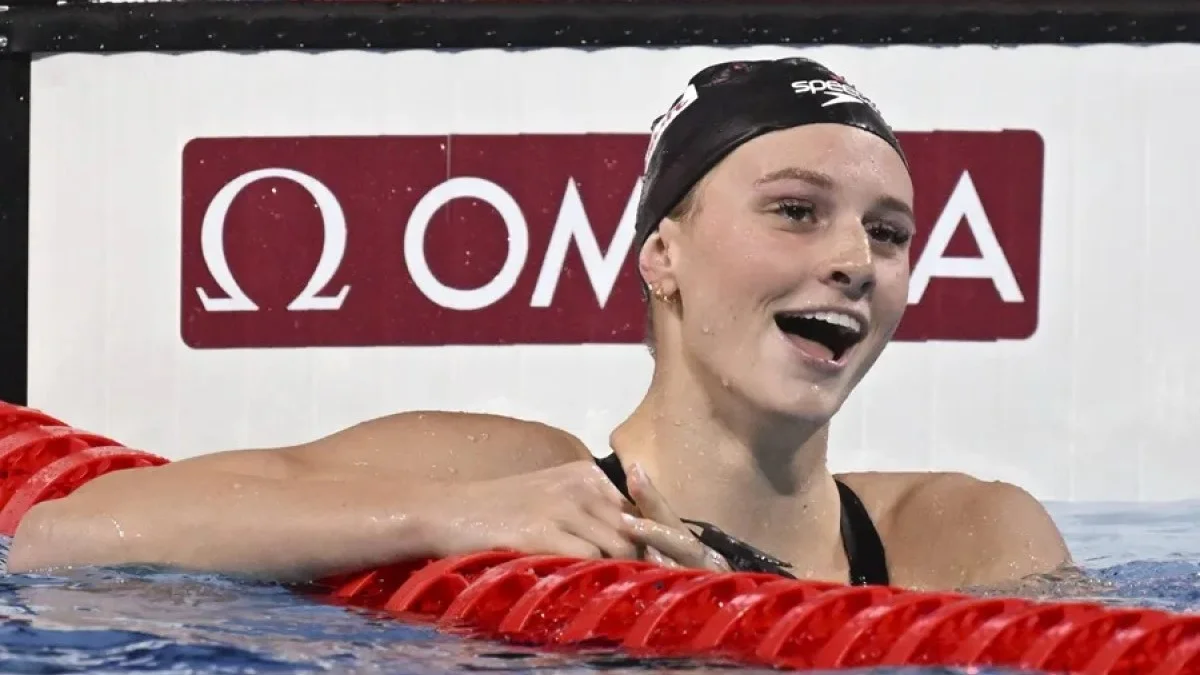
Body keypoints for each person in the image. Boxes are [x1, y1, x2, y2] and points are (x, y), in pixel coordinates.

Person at [7, 58, 1072, 591]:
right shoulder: (509, 474)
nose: (854, 259)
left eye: (889, 233)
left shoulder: (963, 537)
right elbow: (67, 538)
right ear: (662, 255)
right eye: (796, 211)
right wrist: (452, 518)